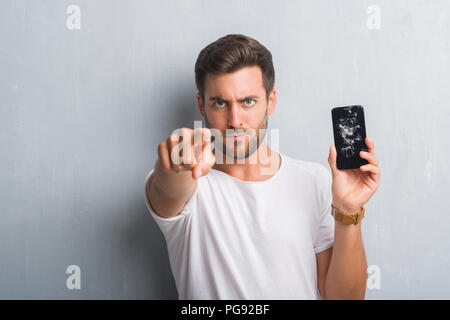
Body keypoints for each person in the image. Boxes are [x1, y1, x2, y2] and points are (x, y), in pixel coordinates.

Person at [144, 34, 380, 300]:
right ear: (202, 105)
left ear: (271, 101)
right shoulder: (190, 185)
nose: (235, 120)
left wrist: (349, 211)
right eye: (220, 103)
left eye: (248, 102)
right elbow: (168, 189)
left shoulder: (313, 180)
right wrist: (174, 165)